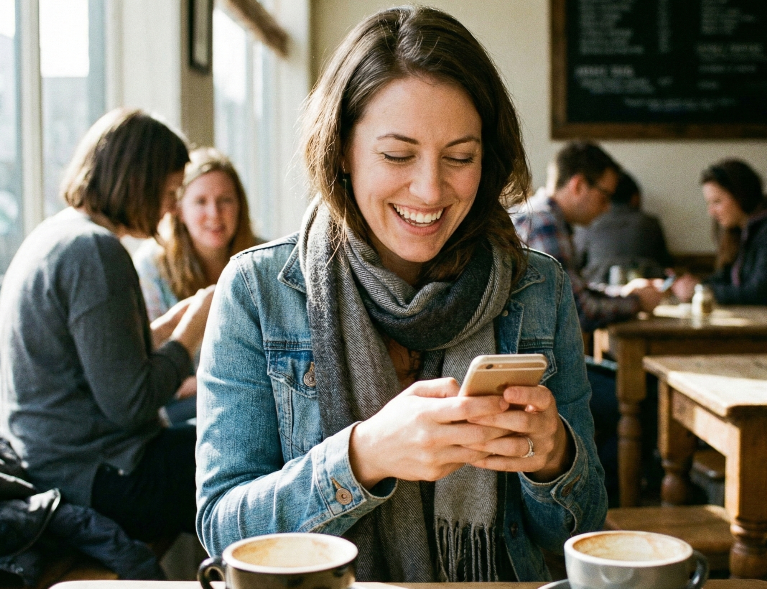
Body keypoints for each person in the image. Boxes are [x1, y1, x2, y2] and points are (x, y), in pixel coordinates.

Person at [195, 7, 606, 583]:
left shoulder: (537, 287)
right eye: (397, 155)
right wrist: (365, 456)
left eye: (460, 157)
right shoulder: (257, 291)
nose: (430, 190)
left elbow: (582, 528)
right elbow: (222, 529)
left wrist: (554, 456)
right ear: (342, 149)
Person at [0, 108, 214, 543]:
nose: (174, 207)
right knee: (247, 460)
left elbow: (104, 356)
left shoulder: (57, 236)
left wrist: (173, 322)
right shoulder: (95, 252)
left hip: (52, 463)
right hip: (93, 475)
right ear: (140, 182)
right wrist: (191, 333)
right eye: (170, 192)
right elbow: (132, 401)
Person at [512, 142, 661, 332]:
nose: (607, 208)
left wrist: (624, 294)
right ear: (579, 185)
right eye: (604, 197)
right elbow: (578, 312)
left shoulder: (540, 215)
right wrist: (637, 302)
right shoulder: (544, 224)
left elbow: (575, 293)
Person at [671, 159, 767, 321]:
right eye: (709, 203)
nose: (711, 212)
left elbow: (761, 293)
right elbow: (726, 277)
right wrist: (695, 285)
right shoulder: (742, 231)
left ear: (741, 196)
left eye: (717, 202)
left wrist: (702, 291)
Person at [134, 147, 259, 323]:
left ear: (240, 206)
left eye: (225, 200)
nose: (214, 213)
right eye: (200, 201)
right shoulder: (151, 267)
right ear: (179, 210)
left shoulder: (266, 259)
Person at [573, 171, 673, 283]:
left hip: (598, 286)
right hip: (644, 286)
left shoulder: (589, 223)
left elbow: (575, 263)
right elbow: (666, 264)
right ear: (635, 197)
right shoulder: (650, 223)